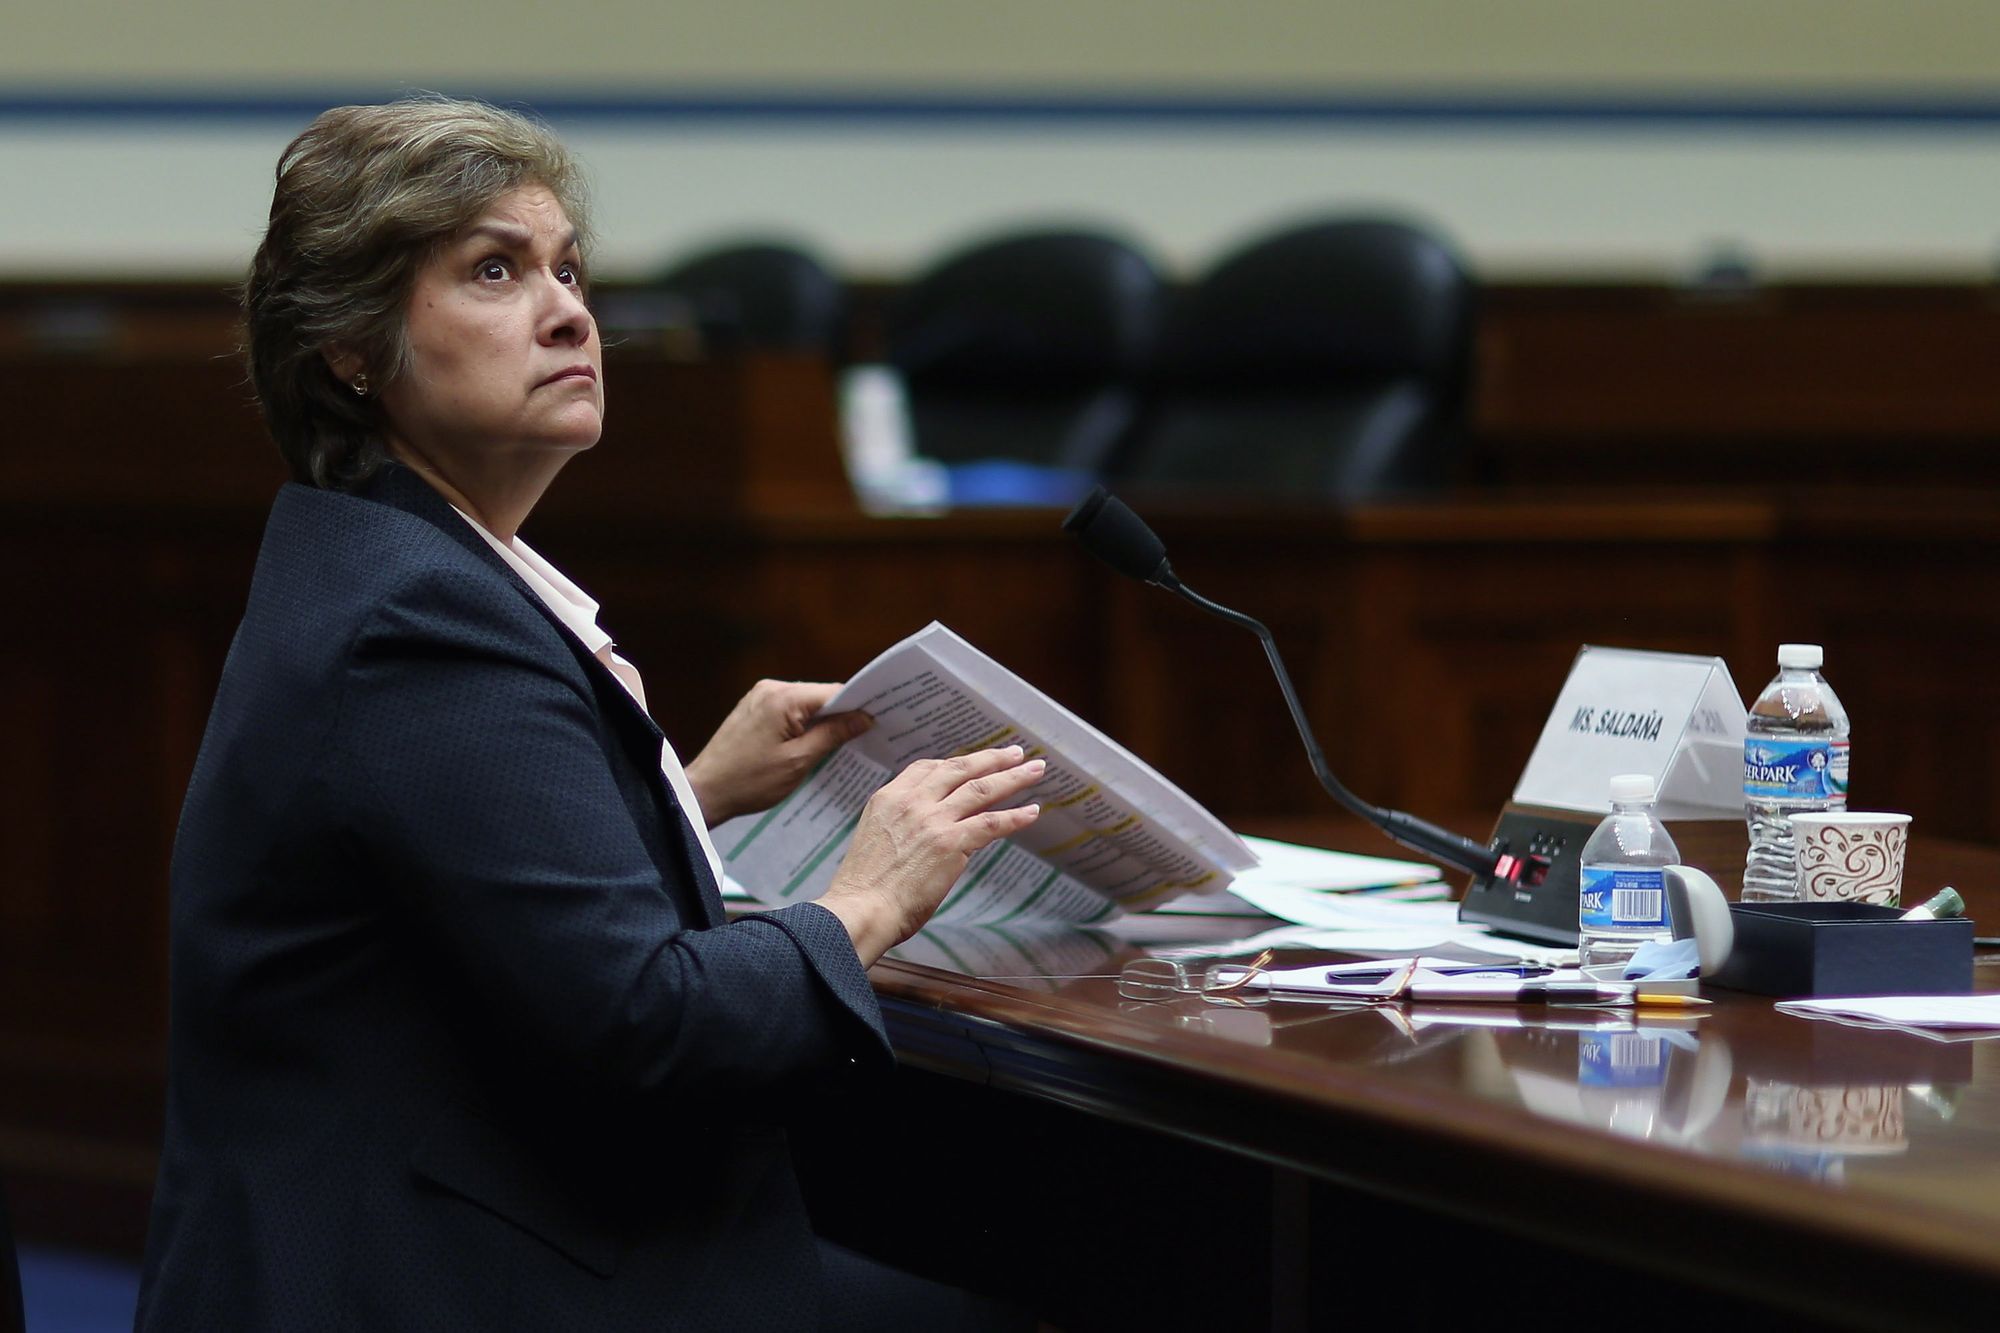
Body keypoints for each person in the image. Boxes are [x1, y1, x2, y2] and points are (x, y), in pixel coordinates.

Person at [135, 96, 1044, 1331]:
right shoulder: (421, 626)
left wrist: (692, 788)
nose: (569, 311)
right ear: (349, 350)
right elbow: (649, 1023)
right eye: (494, 271)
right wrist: (870, 894)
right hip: (442, 1276)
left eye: (567, 268)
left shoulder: (375, 562)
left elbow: (447, 875)